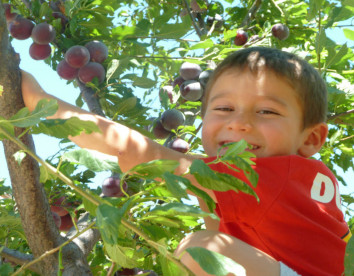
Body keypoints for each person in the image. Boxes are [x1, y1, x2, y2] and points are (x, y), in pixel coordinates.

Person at [21, 47, 351, 276]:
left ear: (310, 138)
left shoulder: (256, 175)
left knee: (201, 248)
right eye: (223, 109)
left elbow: (133, 149)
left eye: (266, 111)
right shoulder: (305, 180)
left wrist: (41, 103)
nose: (239, 123)